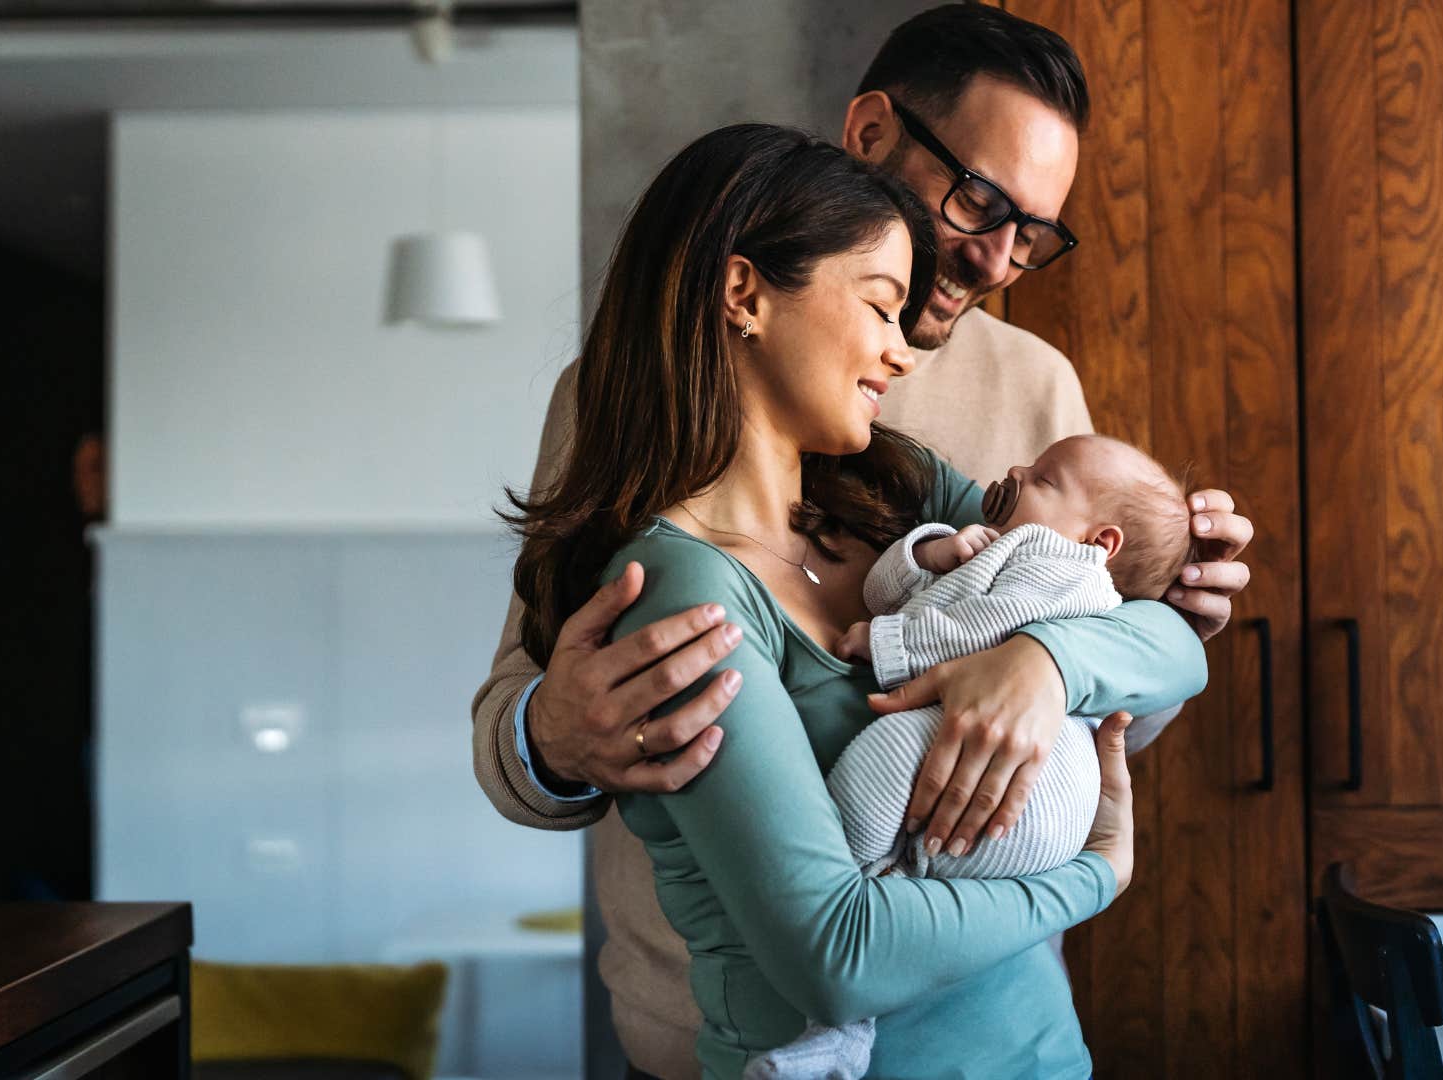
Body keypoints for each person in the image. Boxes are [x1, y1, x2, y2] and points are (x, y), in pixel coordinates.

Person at [472, 7, 1255, 1076]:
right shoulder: (637, 462)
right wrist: (556, 736)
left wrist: (1060, 654)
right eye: (980, 200)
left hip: (1015, 1028)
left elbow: (1119, 687)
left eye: (1033, 235)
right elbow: (521, 708)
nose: (997, 258)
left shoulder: (969, 431)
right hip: (730, 1029)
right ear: (873, 133)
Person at [751, 434, 1195, 1079]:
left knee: (879, 762)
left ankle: (841, 947)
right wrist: (934, 551)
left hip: (1034, 788)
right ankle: (845, 1011)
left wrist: (889, 643)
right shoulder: (1001, 540)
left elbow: (982, 626)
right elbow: (888, 590)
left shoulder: (1062, 565)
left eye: (1042, 479)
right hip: (1025, 812)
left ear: (1101, 542)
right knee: (899, 882)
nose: (1014, 471)